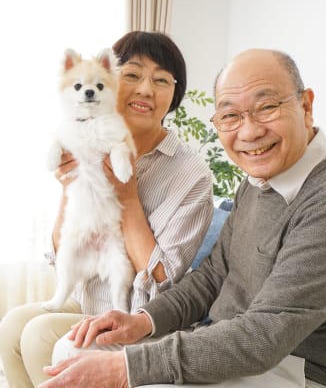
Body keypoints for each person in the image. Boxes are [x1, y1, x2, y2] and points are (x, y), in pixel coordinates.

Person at [38, 48, 326, 388]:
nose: (250, 131)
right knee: (72, 351)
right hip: (230, 344)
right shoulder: (258, 182)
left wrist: (126, 368)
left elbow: (263, 337)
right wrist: (143, 321)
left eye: (267, 107)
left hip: (294, 370)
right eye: (230, 115)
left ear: (306, 106)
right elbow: (213, 275)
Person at [0, 31, 214, 388]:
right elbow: (60, 249)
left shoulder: (192, 176)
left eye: (161, 80)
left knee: (40, 336)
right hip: (87, 299)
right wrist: (70, 187)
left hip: (137, 316)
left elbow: (165, 282)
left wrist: (128, 198)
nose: (146, 89)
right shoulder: (85, 136)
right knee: (10, 327)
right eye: (132, 75)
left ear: (174, 94)